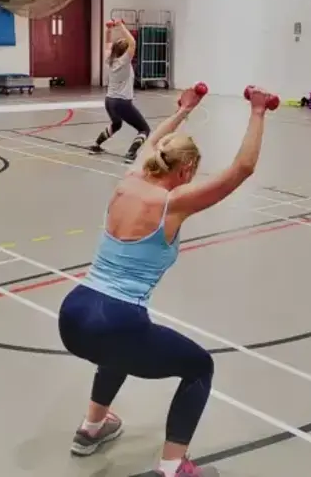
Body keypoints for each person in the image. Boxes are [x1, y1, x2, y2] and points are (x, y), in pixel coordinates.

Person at [58, 85, 277, 477]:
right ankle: (174, 467)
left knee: (119, 350)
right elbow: (241, 169)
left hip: (74, 311)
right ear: (187, 170)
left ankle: (92, 427)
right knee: (199, 367)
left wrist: (184, 110)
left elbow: (151, 144)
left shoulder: (127, 180)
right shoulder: (172, 204)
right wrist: (258, 112)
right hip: (117, 319)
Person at [88, 19, 151, 163]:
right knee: (144, 129)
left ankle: (96, 145)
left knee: (117, 124)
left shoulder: (110, 59)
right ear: (125, 52)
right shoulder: (124, 61)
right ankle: (131, 153)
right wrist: (121, 26)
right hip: (122, 103)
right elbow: (133, 43)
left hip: (109, 101)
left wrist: (109, 30)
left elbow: (108, 44)